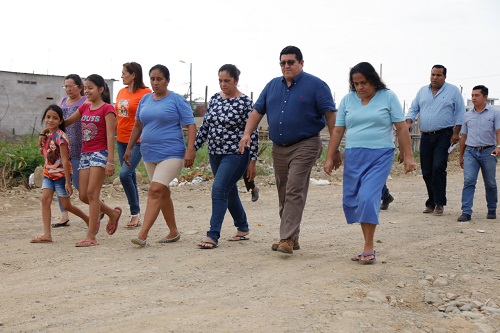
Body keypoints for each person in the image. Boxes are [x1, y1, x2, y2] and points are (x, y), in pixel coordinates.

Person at [239, 45, 339, 254]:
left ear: (301, 63)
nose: (286, 66)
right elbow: (257, 111)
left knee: (294, 188)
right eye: (283, 62)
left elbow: (331, 116)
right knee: (284, 191)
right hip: (279, 148)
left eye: (291, 62)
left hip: (306, 144)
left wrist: (334, 148)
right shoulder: (272, 86)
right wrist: (247, 133)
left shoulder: (317, 86)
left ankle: (285, 238)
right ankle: (293, 237)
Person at [324, 62, 415, 264]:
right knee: (354, 200)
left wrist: (408, 155)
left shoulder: (388, 97)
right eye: (356, 84)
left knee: (367, 197)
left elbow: (401, 128)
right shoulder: (348, 101)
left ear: (373, 80)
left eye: (363, 82)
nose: (360, 87)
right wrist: (330, 157)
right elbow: (338, 131)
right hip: (354, 155)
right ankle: (366, 242)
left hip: (380, 154)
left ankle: (369, 246)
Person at [125, 64, 196, 247]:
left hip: (172, 153)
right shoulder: (145, 100)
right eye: (152, 79)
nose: (155, 83)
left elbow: (191, 125)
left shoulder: (176, 100)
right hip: (149, 153)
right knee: (163, 193)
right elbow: (138, 126)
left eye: (159, 79)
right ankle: (173, 231)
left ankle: (142, 235)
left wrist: (190, 149)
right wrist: (129, 148)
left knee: (155, 190)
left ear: (167, 80)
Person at [195, 64, 258, 249]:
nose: (223, 84)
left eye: (227, 81)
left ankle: (212, 235)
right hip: (215, 153)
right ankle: (242, 227)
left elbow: (252, 133)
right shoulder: (214, 99)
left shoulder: (245, 102)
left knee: (219, 189)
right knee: (229, 191)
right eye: (220, 81)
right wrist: (191, 149)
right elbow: (205, 127)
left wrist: (252, 161)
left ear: (236, 81)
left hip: (236, 154)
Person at [62, 74, 122, 247]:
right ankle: (112, 213)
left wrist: (110, 161)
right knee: (82, 195)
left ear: (101, 89)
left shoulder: (107, 109)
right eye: (85, 88)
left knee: (92, 194)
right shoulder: (85, 107)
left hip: (100, 153)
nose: (87, 91)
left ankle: (91, 236)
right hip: (85, 154)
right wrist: (51, 125)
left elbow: (111, 135)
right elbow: (68, 122)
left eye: (90, 88)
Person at [405, 65, 466, 216]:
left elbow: (460, 113)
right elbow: (413, 109)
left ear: (444, 77)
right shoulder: (422, 92)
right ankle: (431, 201)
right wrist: (408, 121)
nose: (435, 77)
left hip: (444, 135)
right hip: (426, 136)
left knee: (438, 166)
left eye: (438, 75)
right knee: (426, 170)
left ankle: (440, 203)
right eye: (433, 74)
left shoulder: (453, 92)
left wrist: (456, 133)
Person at [31, 105, 89, 243]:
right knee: (45, 200)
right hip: (48, 175)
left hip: (61, 177)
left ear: (61, 121)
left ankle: (88, 219)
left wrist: (68, 182)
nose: (50, 120)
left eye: (55, 118)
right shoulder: (46, 136)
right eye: (48, 117)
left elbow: (65, 160)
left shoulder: (61, 138)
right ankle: (47, 235)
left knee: (67, 205)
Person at [115, 62, 152, 228]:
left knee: (124, 175)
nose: (122, 76)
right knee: (129, 177)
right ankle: (135, 214)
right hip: (121, 139)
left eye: (124, 73)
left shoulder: (146, 93)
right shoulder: (121, 92)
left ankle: (134, 213)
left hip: (137, 141)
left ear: (133, 75)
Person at [457, 85, 500, 222]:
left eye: (477, 95)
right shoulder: (467, 115)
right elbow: (463, 136)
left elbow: (499, 132)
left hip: (488, 151)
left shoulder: (494, 113)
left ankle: (492, 208)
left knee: (490, 182)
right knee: (469, 181)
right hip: (471, 151)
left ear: (485, 97)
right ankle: (466, 211)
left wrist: (498, 146)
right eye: (472, 95)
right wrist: (461, 155)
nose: (473, 98)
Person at [52, 74, 87, 228]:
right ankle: (64, 215)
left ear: (79, 87)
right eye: (65, 86)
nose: (67, 89)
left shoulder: (85, 101)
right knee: (60, 181)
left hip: (80, 147)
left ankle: (99, 205)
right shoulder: (62, 102)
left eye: (70, 86)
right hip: (63, 147)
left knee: (80, 184)